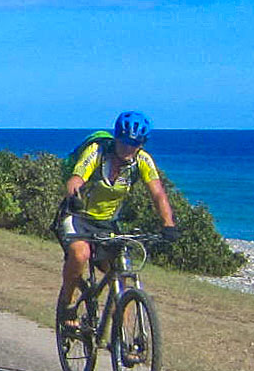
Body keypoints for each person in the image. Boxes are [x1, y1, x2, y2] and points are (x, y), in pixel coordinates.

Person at [57, 111, 181, 331]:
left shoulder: (142, 160)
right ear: (116, 138)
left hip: (107, 222)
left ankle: (120, 337)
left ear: (142, 144)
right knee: (80, 254)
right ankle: (67, 303)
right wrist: (74, 196)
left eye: (134, 144)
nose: (128, 148)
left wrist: (168, 224)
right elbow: (76, 179)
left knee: (119, 270)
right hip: (78, 216)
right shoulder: (97, 153)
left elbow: (158, 194)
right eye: (124, 142)